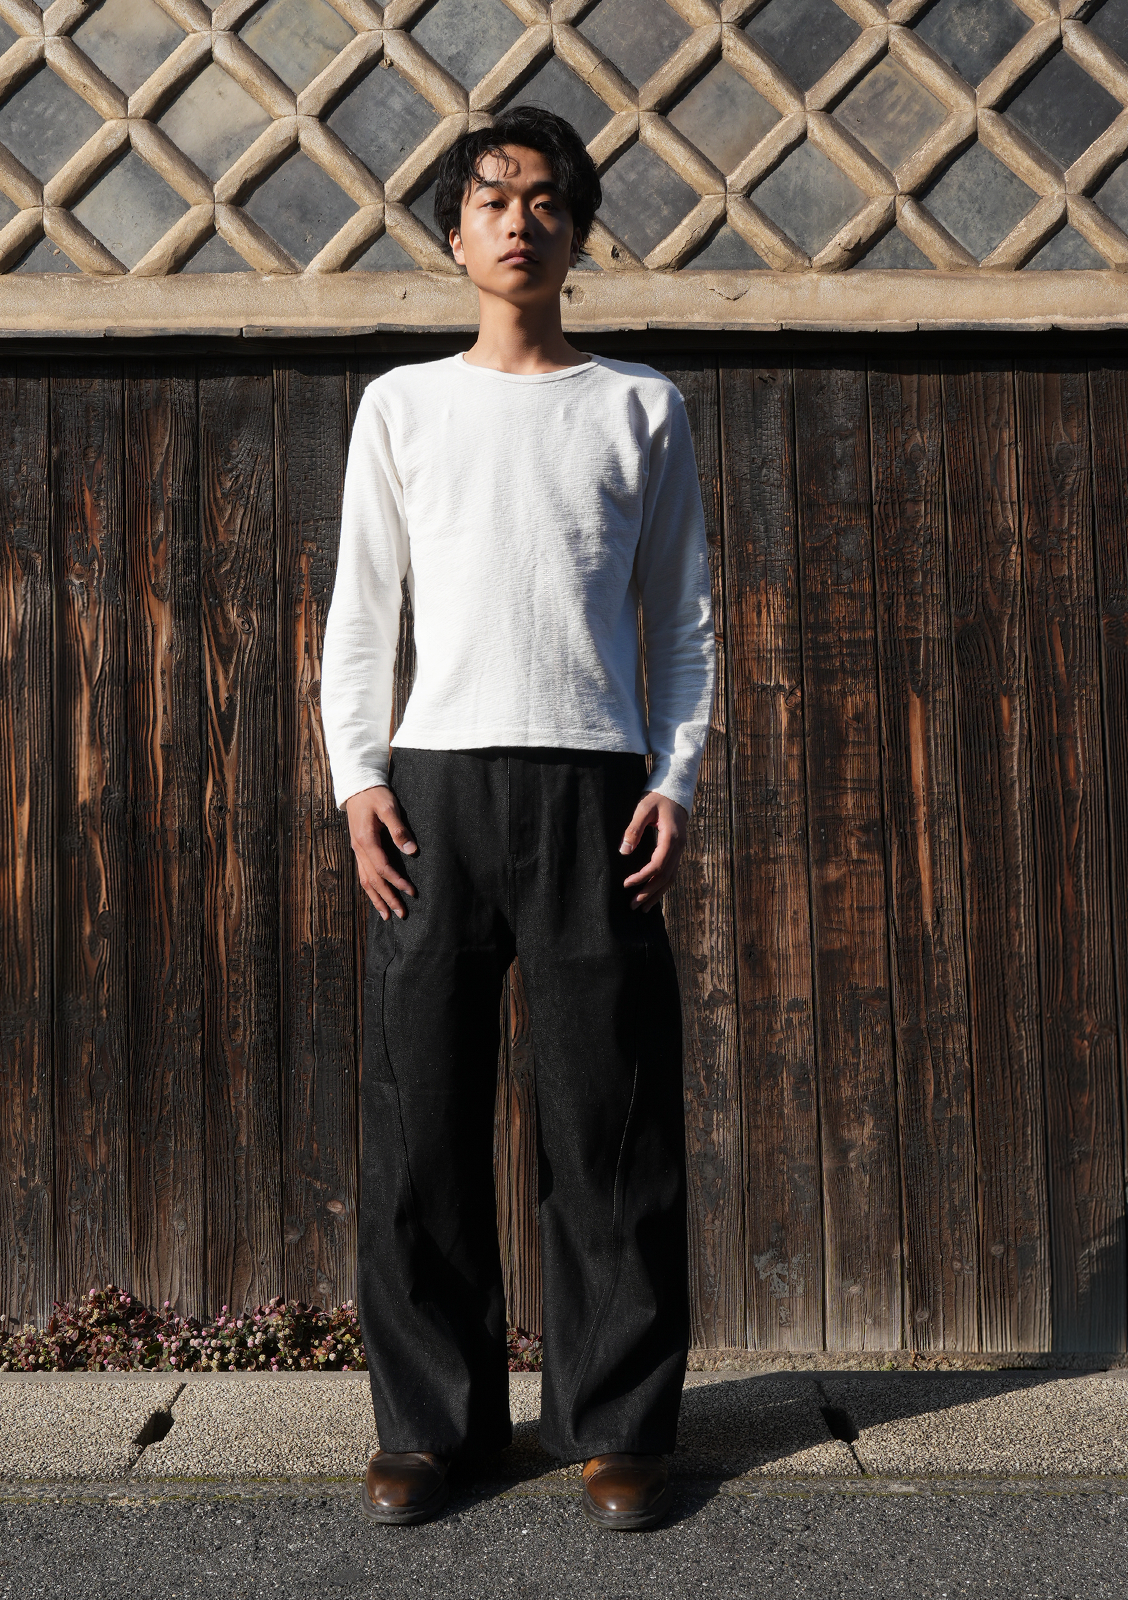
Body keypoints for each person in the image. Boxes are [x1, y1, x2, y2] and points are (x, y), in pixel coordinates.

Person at [319, 104, 715, 1531]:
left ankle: (620, 1426)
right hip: (433, 792)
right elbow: (360, 610)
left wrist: (674, 779)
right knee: (420, 1116)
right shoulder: (403, 405)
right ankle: (433, 1430)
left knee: (609, 1118)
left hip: (597, 792)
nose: (519, 221)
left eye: (546, 199)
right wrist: (357, 778)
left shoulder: (639, 405)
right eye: (491, 199)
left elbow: (685, 622)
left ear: (577, 229)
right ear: (453, 233)